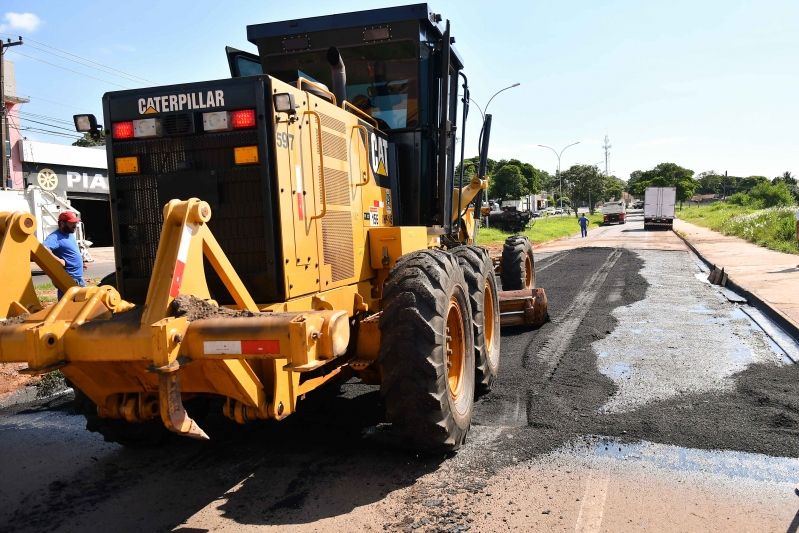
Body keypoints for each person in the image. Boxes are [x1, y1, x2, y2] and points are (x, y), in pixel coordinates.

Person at [44, 211, 87, 299]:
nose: (75, 225)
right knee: (68, 304)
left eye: (75, 223)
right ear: (62, 223)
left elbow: (71, 251)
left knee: (84, 303)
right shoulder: (55, 237)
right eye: (72, 223)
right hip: (68, 278)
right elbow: (44, 248)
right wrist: (58, 260)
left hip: (77, 277)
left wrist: (81, 263)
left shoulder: (70, 234)